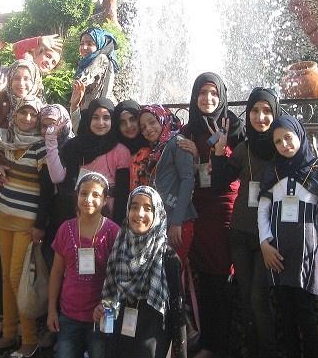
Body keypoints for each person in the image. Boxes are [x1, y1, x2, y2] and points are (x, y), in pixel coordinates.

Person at [258, 113, 318, 358]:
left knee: (306, 313)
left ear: (299, 135)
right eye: (278, 141)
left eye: (288, 137)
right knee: (286, 314)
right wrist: (264, 243)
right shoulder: (273, 171)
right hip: (278, 254)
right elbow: (263, 210)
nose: (284, 145)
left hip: (305, 253)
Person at [178, 73, 244, 358]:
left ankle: (221, 344)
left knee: (222, 275)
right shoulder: (188, 131)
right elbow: (182, 173)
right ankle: (207, 343)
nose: (208, 99)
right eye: (202, 93)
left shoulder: (235, 127)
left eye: (214, 93)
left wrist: (220, 153)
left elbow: (241, 166)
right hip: (200, 207)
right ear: (195, 97)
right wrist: (194, 157)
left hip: (224, 205)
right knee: (205, 275)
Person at [210, 88, 280, 357]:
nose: (260, 117)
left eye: (267, 111)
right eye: (255, 111)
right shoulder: (243, 148)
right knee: (247, 300)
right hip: (240, 233)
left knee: (259, 300)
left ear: (275, 114)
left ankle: (268, 352)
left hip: (267, 239)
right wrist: (219, 153)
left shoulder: (282, 147)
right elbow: (219, 184)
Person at [0, 87, 52, 358]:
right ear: (15, 114)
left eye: (33, 114)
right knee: (5, 277)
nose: (27, 118)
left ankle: (29, 338)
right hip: (4, 215)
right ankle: (9, 333)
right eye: (23, 112)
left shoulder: (41, 147)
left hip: (26, 221)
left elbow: (47, 191)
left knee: (17, 278)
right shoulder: (9, 141)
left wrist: (40, 225)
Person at [93, 186, 186, 358]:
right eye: (134, 207)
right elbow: (111, 296)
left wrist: (181, 353)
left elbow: (177, 311)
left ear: (157, 214)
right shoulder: (119, 248)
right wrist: (103, 309)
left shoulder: (167, 257)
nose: (139, 214)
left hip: (151, 335)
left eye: (147, 208)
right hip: (119, 336)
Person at [47, 172, 121, 358]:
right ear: (77, 196)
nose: (88, 199)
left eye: (96, 195)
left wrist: (108, 308)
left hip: (100, 317)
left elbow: (119, 277)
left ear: (105, 200)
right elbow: (56, 272)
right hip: (69, 316)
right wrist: (51, 310)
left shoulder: (113, 232)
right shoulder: (65, 229)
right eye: (83, 193)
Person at [46, 98, 132, 230]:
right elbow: (60, 179)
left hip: (106, 218)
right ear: (89, 119)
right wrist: (51, 140)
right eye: (95, 117)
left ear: (112, 120)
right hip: (73, 212)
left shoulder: (121, 151)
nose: (101, 123)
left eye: (106, 118)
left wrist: (117, 227)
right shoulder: (75, 146)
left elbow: (122, 194)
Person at [135, 104, 196, 263]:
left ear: (163, 119)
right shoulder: (157, 150)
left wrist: (177, 222)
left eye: (152, 122)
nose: (148, 129)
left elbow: (187, 181)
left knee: (172, 270)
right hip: (160, 221)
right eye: (143, 127)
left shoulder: (177, 143)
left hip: (178, 222)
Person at [70, 27, 118, 122]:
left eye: (89, 44)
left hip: (102, 112)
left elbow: (82, 80)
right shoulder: (85, 63)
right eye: (82, 44)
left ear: (100, 45)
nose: (84, 47)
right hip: (93, 111)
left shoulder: (101, 58)